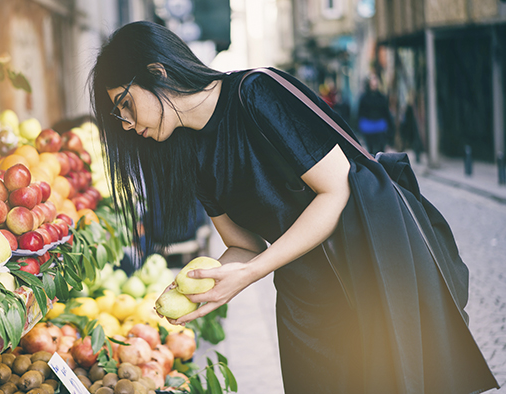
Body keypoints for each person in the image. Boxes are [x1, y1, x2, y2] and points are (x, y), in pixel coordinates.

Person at [90, 21, 497, 394]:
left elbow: (335, 191)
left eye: (124, 104)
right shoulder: (192, 156)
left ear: (157, 73)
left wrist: (250, 273)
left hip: (370, 270)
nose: (126, 124)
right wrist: (207, 287)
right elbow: (244, 245)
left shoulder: (256, 92)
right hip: (305, 300)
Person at [357, 74, 394, 154]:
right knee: (370, 150)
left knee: (380, 149)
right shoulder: (364, 98)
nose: (374, 86)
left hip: (380, 126)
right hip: (368, 126)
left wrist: (390, 127)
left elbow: (386, 112)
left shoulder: (381, 98)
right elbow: (360, 113)